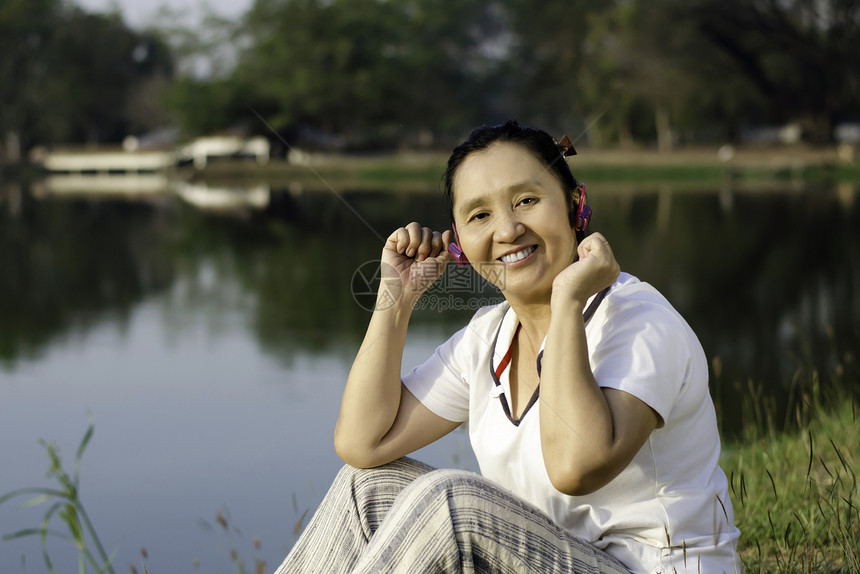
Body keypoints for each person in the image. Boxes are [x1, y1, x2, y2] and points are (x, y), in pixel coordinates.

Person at [274, 121, 741, 574]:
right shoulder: (488, 337)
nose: (508, 229)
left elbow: (575, 466)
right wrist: (397, 297)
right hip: (553, 559)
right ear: (457, 243)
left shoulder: (639, 321)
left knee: (450, 504)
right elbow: (362, 442)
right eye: (479, 215)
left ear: (576, 204)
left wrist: (567, 299)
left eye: (527, 200)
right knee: (366, 486)